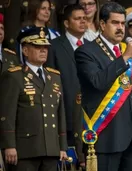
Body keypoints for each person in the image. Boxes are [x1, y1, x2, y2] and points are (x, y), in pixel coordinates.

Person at [75, 2, 132, 171]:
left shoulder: (128, 49)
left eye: (122, 23)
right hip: (106, 136)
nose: (120, 28)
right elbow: (97, 81)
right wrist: (126, 56)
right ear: (102, 24)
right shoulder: (86, 51)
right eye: (115, 23)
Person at [0, 26, 68, 171]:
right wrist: (9, 145)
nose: (43, 50)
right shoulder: (14, 76)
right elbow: (7, 115)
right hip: (25, 150)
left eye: (45, 47)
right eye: (37, 46)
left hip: (51, 148)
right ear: (25, 51)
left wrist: (62, 146)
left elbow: (60, 113)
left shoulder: (54, 76)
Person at [45, 4, 88, 168]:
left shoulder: (92, 45)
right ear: (66, 23)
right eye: (77, 19)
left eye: (84, 18)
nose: (82, 22)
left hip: (91, 117)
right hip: (67, 113)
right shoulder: (54, 46)